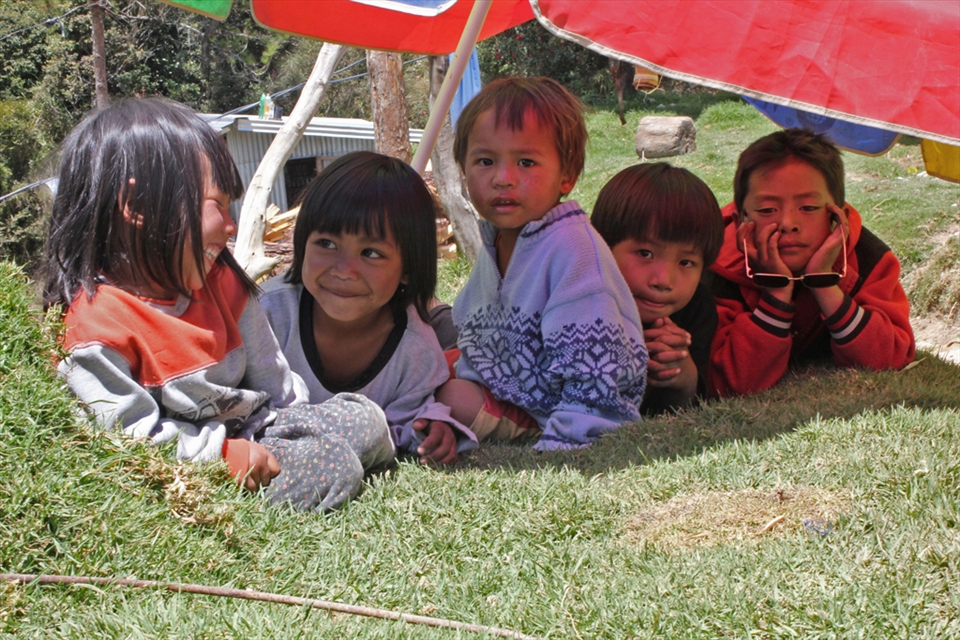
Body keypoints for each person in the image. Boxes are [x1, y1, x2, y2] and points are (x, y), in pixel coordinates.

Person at [44, 98, 394, 512]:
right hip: (199, 467)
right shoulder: (95, 327)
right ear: (135, 206)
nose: (230, 225)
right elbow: (127, 442)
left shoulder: (221, 281)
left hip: (260, 431)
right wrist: (223, 459)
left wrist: (302, 425)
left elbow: (273, 380)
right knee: (332, 465)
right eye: (218, 204)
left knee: (364, 415)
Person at [436, 77, 648, 451]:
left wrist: (566, 439)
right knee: (426, 367)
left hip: (551, 410)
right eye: (485, 161)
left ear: (567, 175)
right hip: (502, 386)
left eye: (526, 162)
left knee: (450, 396)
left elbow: (595, 372)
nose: (503, 179)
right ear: (463, 171)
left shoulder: (573, 249)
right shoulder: (499, 238)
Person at [260, 151, 477, 466]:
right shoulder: (265, 315)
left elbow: (405, 424)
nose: (345, 270)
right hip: (262, 439)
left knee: (369, 425)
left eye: (371, 253)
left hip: (347, 453)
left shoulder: (416, 351)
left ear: (408, 268)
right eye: (327, 244)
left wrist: (432, 429)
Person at [708, 128, 916, 397]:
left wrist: (824, 282)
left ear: (837, 217)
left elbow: (892, 357)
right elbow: (727, 381)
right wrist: (777, 290)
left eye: (808, 208)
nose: (788, 224)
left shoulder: (870, 261)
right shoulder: (714, 268)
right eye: (767, 210)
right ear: (740, 222)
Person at [591, 162, 723, 414]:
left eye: (686, 262)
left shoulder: (697, 308)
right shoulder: (578, 299)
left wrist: (683, 377)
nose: (663, 280)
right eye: (645, 253)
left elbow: (679, 410)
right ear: (602, 245)